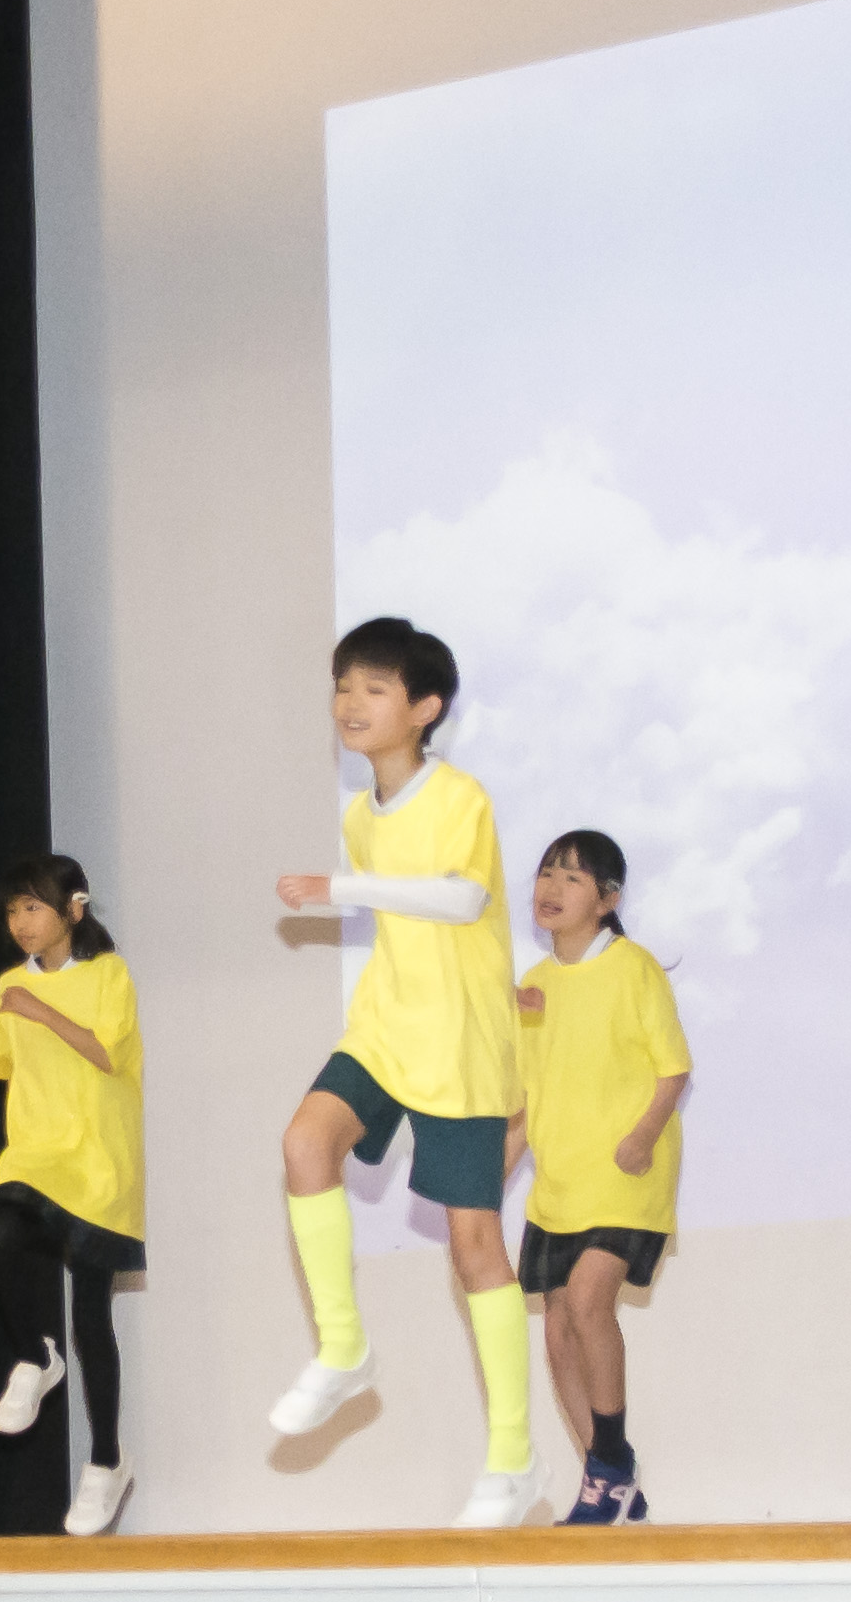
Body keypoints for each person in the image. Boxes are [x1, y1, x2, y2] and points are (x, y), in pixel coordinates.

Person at [270, 617, 541, 1527]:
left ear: (424, 709)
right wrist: (347, 887)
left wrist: (340, 889)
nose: (350, 702)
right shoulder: (361, 814)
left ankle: (514, 1459)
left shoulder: (460, 796)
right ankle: (344, 1348)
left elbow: (462, 899)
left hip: (461, 1041)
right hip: (386, 1026)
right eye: (343, 684)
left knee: (475, 1248)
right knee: (305, 1144)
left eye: (375, 688)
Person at [511, 831, 690, 1527]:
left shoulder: (632, 967)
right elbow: (523, 1104)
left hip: (625, 1175)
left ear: (608, 900)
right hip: (559, 1184)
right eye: (546, 873)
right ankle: (611, 1479)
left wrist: (642, 1138)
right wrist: (481, 1188)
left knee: (588, 1300)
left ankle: (611, 1462)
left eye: (573, 878)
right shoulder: (532, 988)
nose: (552, 888)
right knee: (557, 1329)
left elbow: (673, 1069)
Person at [0, 854, 143, 1538]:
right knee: (0, 1231)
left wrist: (41, 1009)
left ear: (73, 909)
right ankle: (34, 1355)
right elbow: (5, 1065)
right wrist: (26, 1005)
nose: (20, 922)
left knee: (90, 1312)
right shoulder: (7, 986)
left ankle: (107, 1461)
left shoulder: (109, 974)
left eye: (33, 907)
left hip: (99, 1160)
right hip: (35, 1153)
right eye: (12, 910)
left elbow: (108, 1053)